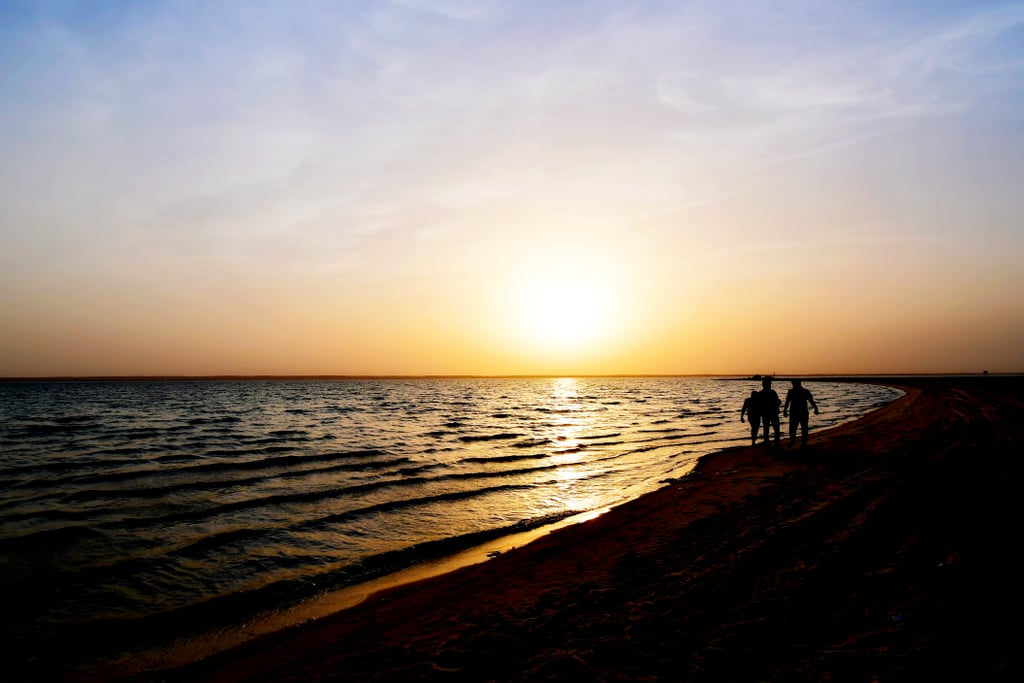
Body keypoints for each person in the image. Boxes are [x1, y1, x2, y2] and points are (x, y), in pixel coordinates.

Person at [783, 378, 819, 448]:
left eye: (793, 384)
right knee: (798, 428)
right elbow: (787, 402)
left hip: (799, 412)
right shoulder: (795, 391)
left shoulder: (797, 391)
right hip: (798, 412)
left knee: (800, 428)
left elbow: (811, 400)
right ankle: (796, 441)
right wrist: (785, 410)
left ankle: (800, 442)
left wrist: (816, 408)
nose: (793, 385)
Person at [758, 378, 781, 447]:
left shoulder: (761, 393)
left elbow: (758, 404)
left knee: (767, 429)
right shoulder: (772, 392)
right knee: (775, 428)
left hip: (766, 413)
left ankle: (768, 443)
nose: (770, 385)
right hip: (771, 413)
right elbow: (778, 401)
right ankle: (775, 443)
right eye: (769, 384)